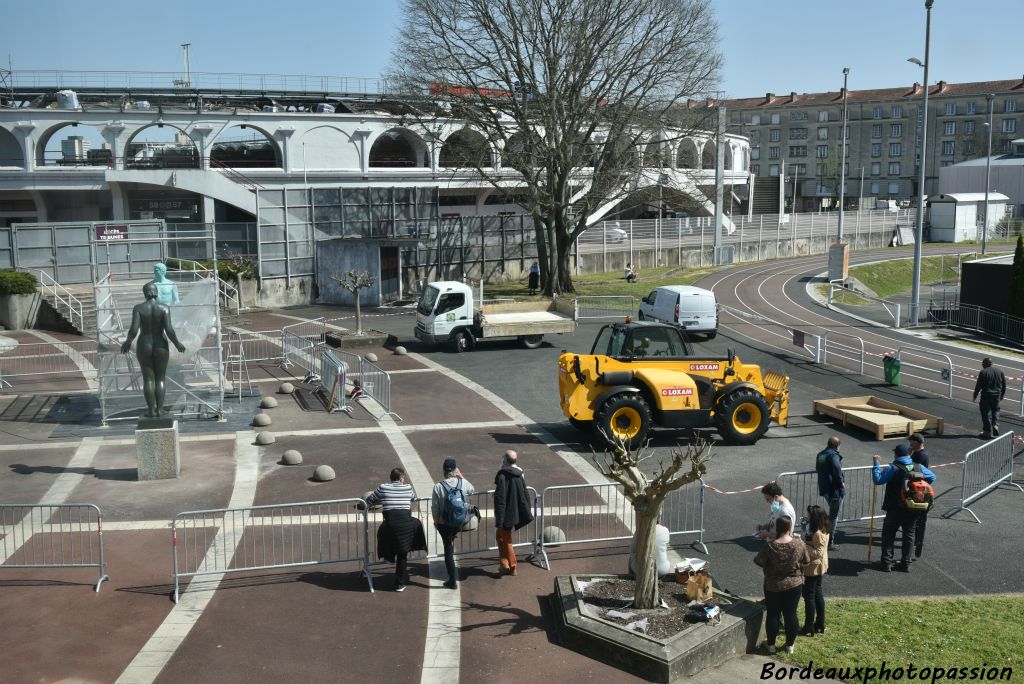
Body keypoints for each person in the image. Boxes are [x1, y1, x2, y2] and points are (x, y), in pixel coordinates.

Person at [121, 282, 186, 418]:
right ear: (156, 292)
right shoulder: (164, 308)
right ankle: (160, 409)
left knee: (148, 379)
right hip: (160, 344)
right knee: (160, 379)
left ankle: (151, 410)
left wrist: (128, 342)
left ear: (145, 293)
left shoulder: (138, 308)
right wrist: (177, 343)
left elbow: (134, 329)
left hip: (144, 344)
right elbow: (169, 330)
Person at [871, 444, 936, 573]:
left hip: (894, 507)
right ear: (909, 454)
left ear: (896, 454)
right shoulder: (918, 467)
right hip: (913, 506)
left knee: (889, 535)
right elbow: (932, 477)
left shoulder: (893, 467)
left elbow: (878, 480)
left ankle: (886, 563)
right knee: (909, 534)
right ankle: (906, 563)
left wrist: (876, 464)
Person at [753, 515, 809, 655]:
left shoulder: (771, 546)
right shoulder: (799, 544)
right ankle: (790, 645)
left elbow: (758, 561)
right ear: (790, 528)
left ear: (777, 528)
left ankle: (771, 645)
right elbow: (807, 561)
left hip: (773, 585)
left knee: (773, 614)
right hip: (794, 585)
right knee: (791, 614)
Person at [366, 467, 426, 592]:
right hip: (406, 523)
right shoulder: (407, 487)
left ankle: (388, 557)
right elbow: (413, 498)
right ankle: (399, 584)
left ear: (391, 479)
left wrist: (382, 499)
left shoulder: (383, 487)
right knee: (403, 553)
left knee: (383, 533)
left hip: (391, 523)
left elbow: (370, 500)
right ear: (401, 478)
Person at [431, 458, 475, 590]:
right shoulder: (462, 482)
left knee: (448, 550)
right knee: (451, 539)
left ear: (444, 470)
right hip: (459, 521)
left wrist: (436, 522)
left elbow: (435, 508)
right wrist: (461, 476)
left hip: (444, 523)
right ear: (455, 469)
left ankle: (452, 580)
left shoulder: (438, 486)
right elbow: (472, 490)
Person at [493, 450, 534, 576]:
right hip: (516, 511)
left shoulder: (502, 476)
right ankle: (504, 564)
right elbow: (525, 493)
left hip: (506, 513)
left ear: (505, 460)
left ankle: (512, 565)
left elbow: (500, 499)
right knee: (500, 537)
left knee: (506, 539)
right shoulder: (519, 474)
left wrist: (499, 519)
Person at [799, 505, 830, 636]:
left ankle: (809, 626)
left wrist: (803, 544)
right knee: (817, 594)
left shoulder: (818, 533)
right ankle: (820, 623)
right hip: (820, 567)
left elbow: (818, 552)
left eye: (809, 516)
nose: (807, 517)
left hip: (813, 568)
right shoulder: (823, 528)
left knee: (809, 597)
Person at [814, 436, 845, 550]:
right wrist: (841, 482)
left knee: (831, 514)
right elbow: (837, 468)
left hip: (825, 488)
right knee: (834, 516)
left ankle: (824, 537)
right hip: (834, 490)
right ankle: (829, 541)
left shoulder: (821, 454)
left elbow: (818, 468)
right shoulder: (834, 455)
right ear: (837, 445)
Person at [907, 433, 931, 559]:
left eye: (911, 442)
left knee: (917, 518)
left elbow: (913, 470)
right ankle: (915, 539)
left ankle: (916, 542)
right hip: (918, 488)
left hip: (919, 490)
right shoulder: (920, 454)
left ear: (916, 442)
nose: (909, 444)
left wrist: (908, 457)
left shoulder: (921, 455)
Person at [972, 358, 1006, 439]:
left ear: (985, 364)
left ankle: (987, 431)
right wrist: (1002, 395)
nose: (982, 365)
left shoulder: (983, 372)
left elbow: (978, 386)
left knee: (985, 413)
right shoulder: (1000, 371)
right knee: (996, 410)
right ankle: (995, 424)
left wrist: (975, 395)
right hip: (996, 395)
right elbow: (1004, 384)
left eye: (983, 364)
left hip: (986, 395)